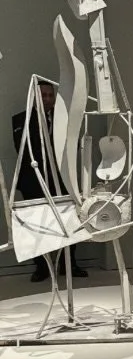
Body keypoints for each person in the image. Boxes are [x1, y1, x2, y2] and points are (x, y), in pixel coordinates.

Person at [11, 80, 88, 282]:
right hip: (33, 181)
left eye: (50, 95)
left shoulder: (64, 119)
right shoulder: (21, 120)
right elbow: (24, 151)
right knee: (37, 224)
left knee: (68, 221)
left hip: (61, 180)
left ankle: (68, 264)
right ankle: (42, 267)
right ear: (34, 97)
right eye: (43, 95)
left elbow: (70, 147)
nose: (47, 99)